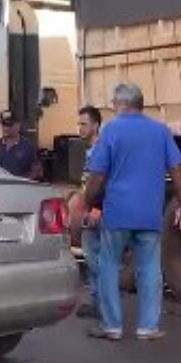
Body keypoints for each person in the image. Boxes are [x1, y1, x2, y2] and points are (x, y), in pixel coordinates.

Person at [84, 83, 181, 341]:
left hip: (118, 212)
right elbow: (177, 170)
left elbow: (98, 175)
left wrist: (89, 201)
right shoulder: (160, 131)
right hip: (149, 213)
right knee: (150, 267)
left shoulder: (111, 130)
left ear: (122, 104)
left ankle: (112, 326)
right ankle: (148, 327)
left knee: (108, 265)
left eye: (114, 103)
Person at [76, 105, 103, 319]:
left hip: (96, 210)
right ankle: (97, 302)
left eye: (84, 124)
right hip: (91, 208)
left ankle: (103, 304)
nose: (80, 128)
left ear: (95, 125)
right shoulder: (92, 150)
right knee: (92, 256)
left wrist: (95, 208)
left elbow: (102, 181)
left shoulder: (99, 150)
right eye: (79, 124)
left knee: (95, 258)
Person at [0, 110, 40, 179]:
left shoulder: (29, 146)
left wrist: (23, 182)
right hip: (0, 187)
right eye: (3, 124)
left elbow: (37, 171)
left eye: (9, 124)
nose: (6, 128)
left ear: (18, 124)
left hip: (20, 187)